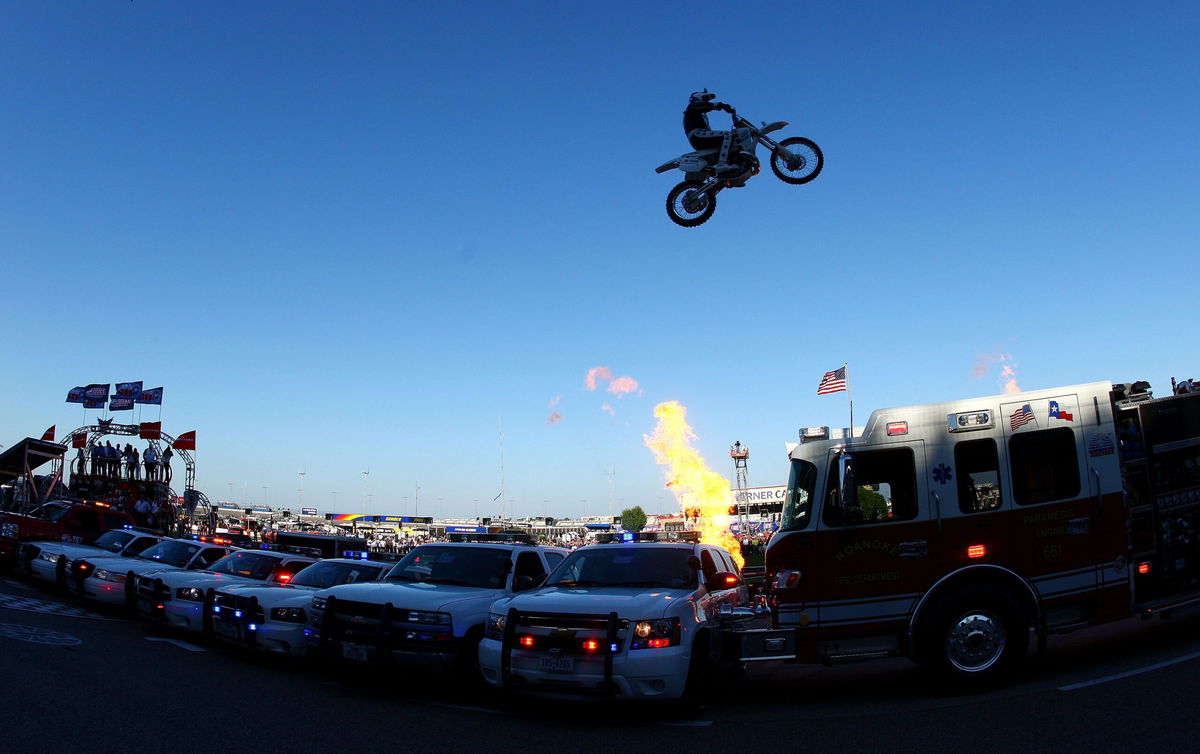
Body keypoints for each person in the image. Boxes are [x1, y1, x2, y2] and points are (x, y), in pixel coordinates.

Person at [682, 89, 740, 174]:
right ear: (698, 98)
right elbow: (702, 106)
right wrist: (720, 105)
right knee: (727, 135)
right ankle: (721, 164)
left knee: (728, 144)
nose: (706, 101)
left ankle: (732, 170)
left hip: (699, 136)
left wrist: (734, 117)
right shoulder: (692, 107)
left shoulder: (699, 113)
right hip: (697, 134)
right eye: (705, 99)